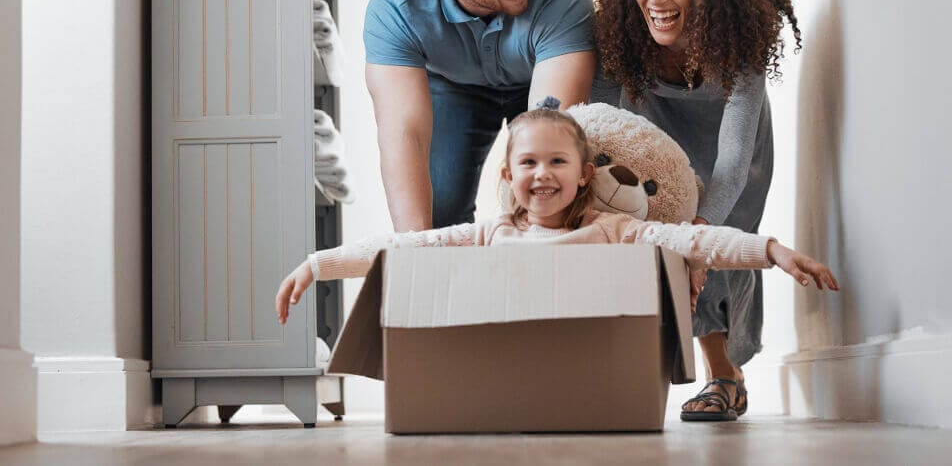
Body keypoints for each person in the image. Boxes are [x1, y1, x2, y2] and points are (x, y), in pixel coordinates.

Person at [277, 102, 839, 415]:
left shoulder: (615, 230)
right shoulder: (489, 234)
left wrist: (771, 251)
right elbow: (401, 247)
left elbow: (697, 240)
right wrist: (318, 264)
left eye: (557, 162)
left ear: (583, 174)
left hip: (591, 386)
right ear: (508, 176)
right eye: (528, 164)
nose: (541, 174)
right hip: (503, 387)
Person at [590, 0, 804, 421]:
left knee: (718, 243)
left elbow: (730, 163)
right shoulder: (617, 38)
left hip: (735, 151)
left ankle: (724, 376)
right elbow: (592, 122)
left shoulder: (739, 40)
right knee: (658, 241)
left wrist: (700, 239)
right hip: (656, 141)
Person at [364, 0, 596, 232]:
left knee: (551, 198)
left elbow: (554, 131)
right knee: (439, 208)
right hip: (454, 87)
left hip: (539, 79)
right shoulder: (396, 9)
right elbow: (404, 134)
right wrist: (414, 250)